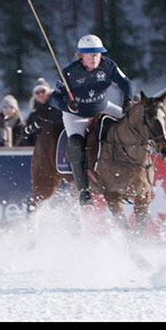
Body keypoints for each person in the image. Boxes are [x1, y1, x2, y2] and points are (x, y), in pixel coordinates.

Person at [49, 34, 137, 206]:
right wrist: (68, 106)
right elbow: (54, 98)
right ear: (81, 56)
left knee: (132, 126)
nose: (95, 57)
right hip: (76, 115)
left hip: (102, 107)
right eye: (90, 54)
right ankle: (84, 190)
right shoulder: (69, 72)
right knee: (75, 143)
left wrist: (128, 100)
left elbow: (127, 83)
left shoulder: (108, 65)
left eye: (97, 54)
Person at [20, 77, 63, 146]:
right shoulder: (33, 116)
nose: (41, 94)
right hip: (38, 151)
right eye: (37, 93)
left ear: (48, 93)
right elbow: (26, 136)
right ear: (35, 96)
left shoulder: (59, 110)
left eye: (43, 91)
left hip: (57, 147)